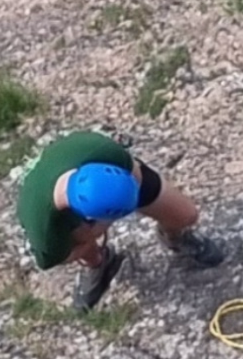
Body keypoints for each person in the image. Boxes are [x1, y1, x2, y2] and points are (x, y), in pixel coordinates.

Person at [16, 129, 223, 311]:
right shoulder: (44, 229)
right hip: (68, 223)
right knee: (79, 240)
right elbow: (60, 257)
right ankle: (98, 263)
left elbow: (135, 173)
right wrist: (89, 236)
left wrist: (125, 205)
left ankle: (175, 237)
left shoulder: (103, 151)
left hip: (115, 176)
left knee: (186, 216)